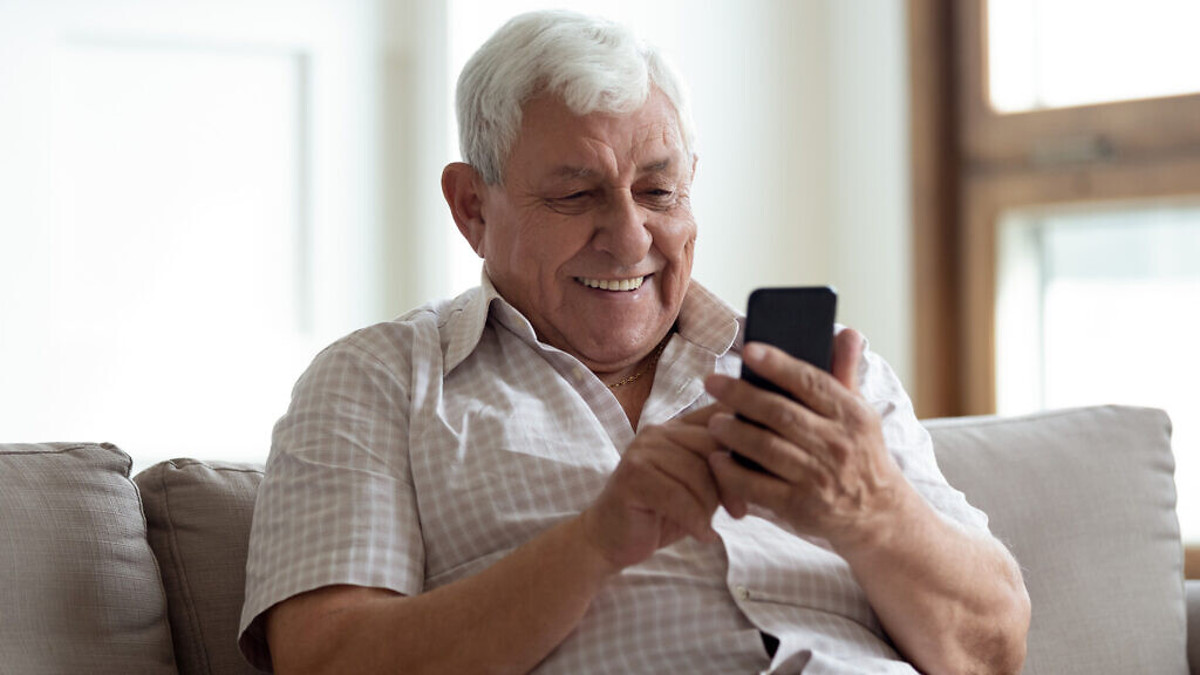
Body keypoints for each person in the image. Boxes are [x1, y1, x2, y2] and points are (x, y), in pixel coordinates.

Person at [239, 10, 1030, 674]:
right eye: (576, 194)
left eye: (659, 191)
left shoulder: (827, 376)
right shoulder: (377, 382)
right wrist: (592, 542)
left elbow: (995, 646)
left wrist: (873, 509)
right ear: (472, 207)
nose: (629, 238)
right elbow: (327, 658)